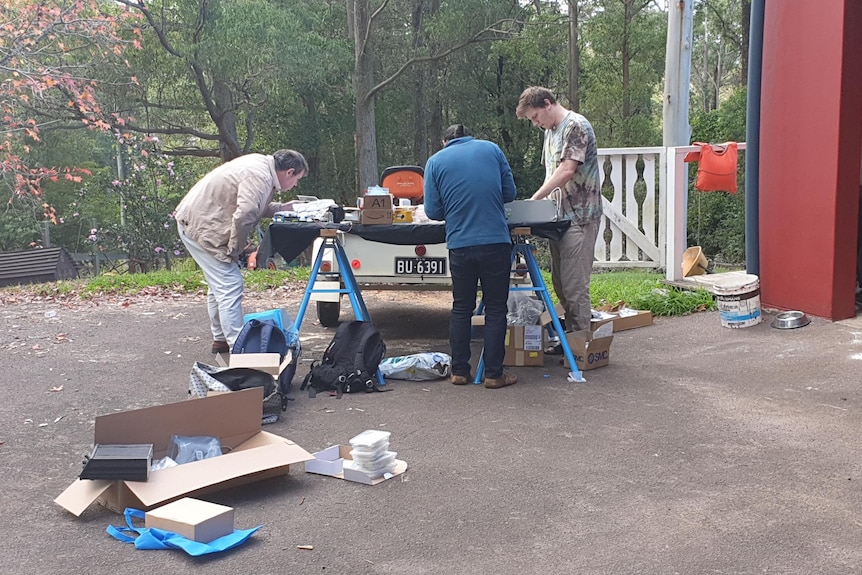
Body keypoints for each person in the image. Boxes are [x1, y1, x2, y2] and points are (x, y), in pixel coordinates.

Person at [175, 150, 308, 353]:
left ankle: (220, 339)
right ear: (289, 172)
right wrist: (236, 249)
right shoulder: (260, 176)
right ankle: (239, 346)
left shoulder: (260, 167)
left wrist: (285, 207)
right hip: (202, 225)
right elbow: (245, 213)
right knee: (230, 284)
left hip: (196, 219)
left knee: (219, 284)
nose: (295, 185)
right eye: (297, 179)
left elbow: (256, 205)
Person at [423, 124, 518, 389]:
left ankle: (459, 371)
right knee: (496, 308)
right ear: (469, 136)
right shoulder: (492, 149)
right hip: (495, 242)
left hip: (460, 244)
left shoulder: (435, 161)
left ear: (445, 141)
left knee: (461, 307)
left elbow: (432, 211)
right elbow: (510, 193)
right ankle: (494, 374)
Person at [516, 86, 602, 340]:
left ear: (547, 104)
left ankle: (579, 345)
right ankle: (569, 340)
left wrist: (533, 201)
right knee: (560, 283)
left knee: (575, 286)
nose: (535, 123)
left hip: (580, 216)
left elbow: (566, 171)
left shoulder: (575, 126)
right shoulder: (550, 131)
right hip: (558, 219)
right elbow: (550, 173)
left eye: (535, 117)